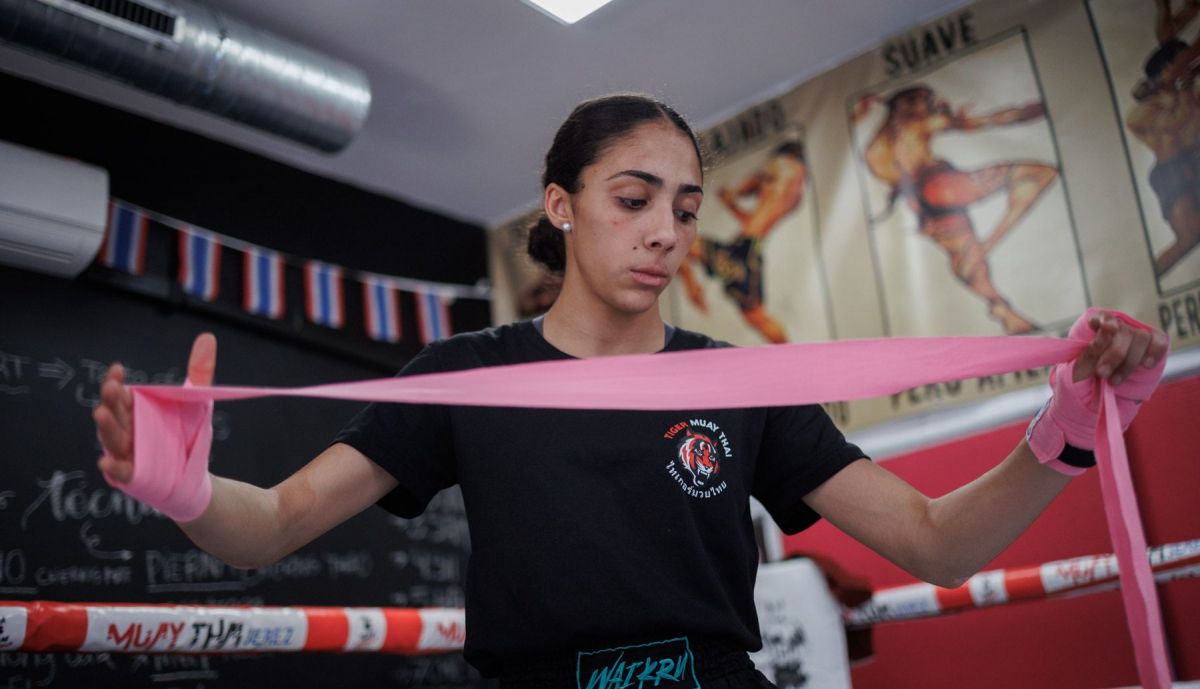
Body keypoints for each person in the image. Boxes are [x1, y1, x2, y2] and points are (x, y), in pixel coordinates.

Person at [93, 94, 1168, 689]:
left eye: (687, 206)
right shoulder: (469, 375)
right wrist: (188, 490)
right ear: (561, 206)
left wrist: (1063, 434)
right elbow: (270, 525)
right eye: (634, 196)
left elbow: (935, 542)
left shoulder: (740, 382)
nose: (666, 230)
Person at [859, 85, 1057, 334]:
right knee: (1037, 174)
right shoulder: (922, 123)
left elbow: (887, 172)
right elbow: (988, 120)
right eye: (925, 101)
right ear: (910, 104)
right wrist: (1025, 113)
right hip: (941, 186)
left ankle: (1001, 309)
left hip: (920, 203)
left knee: (962, 256)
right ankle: (989, 244)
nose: (930, 104)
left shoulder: (875, 147)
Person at [677, 140, 807, 343]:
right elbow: (755, 222)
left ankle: (692, 285)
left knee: (756, 317)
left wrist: (733, 195)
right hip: (749, 245)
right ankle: (793, 356)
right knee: (757, 317)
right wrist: (732, 204)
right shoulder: (796, 193)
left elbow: (746, 188)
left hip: (746, 247)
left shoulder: (779, 164)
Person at [1128, 37, 1200, 276]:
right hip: (1171, 172)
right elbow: (1176, 124)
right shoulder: (1147, 108)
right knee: (1189, 238)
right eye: (1180, 63)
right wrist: (1178, 90)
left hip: (1194, 162)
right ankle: (1143, 279)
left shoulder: (1189, 90)